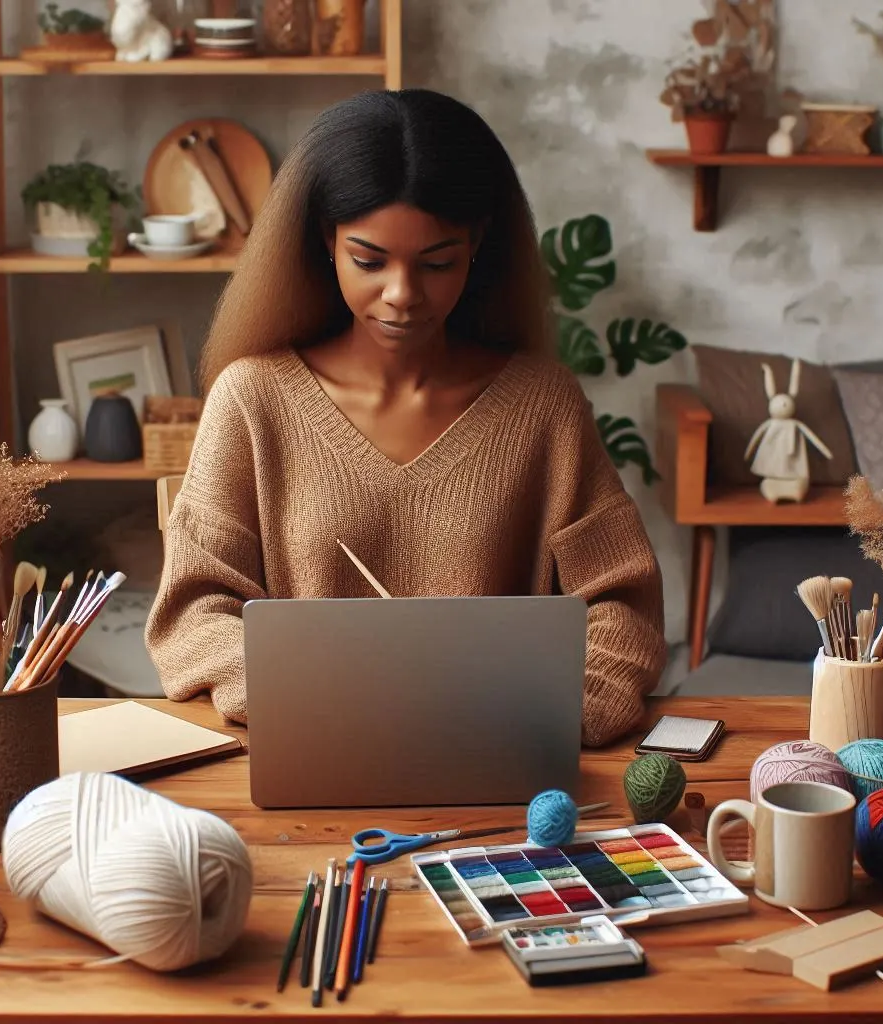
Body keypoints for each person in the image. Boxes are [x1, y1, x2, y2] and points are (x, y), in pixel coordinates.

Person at [145, 88, 666, 747]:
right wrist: (327, 701)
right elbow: (193, 618)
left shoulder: (544, 407)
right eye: (368, 260)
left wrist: (561, 713)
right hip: (310, 751)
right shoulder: (252, 401)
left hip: (500, 762)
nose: (402, 296)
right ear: (324, 242)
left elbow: (622, 606)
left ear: (477, 247)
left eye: (437, 262)